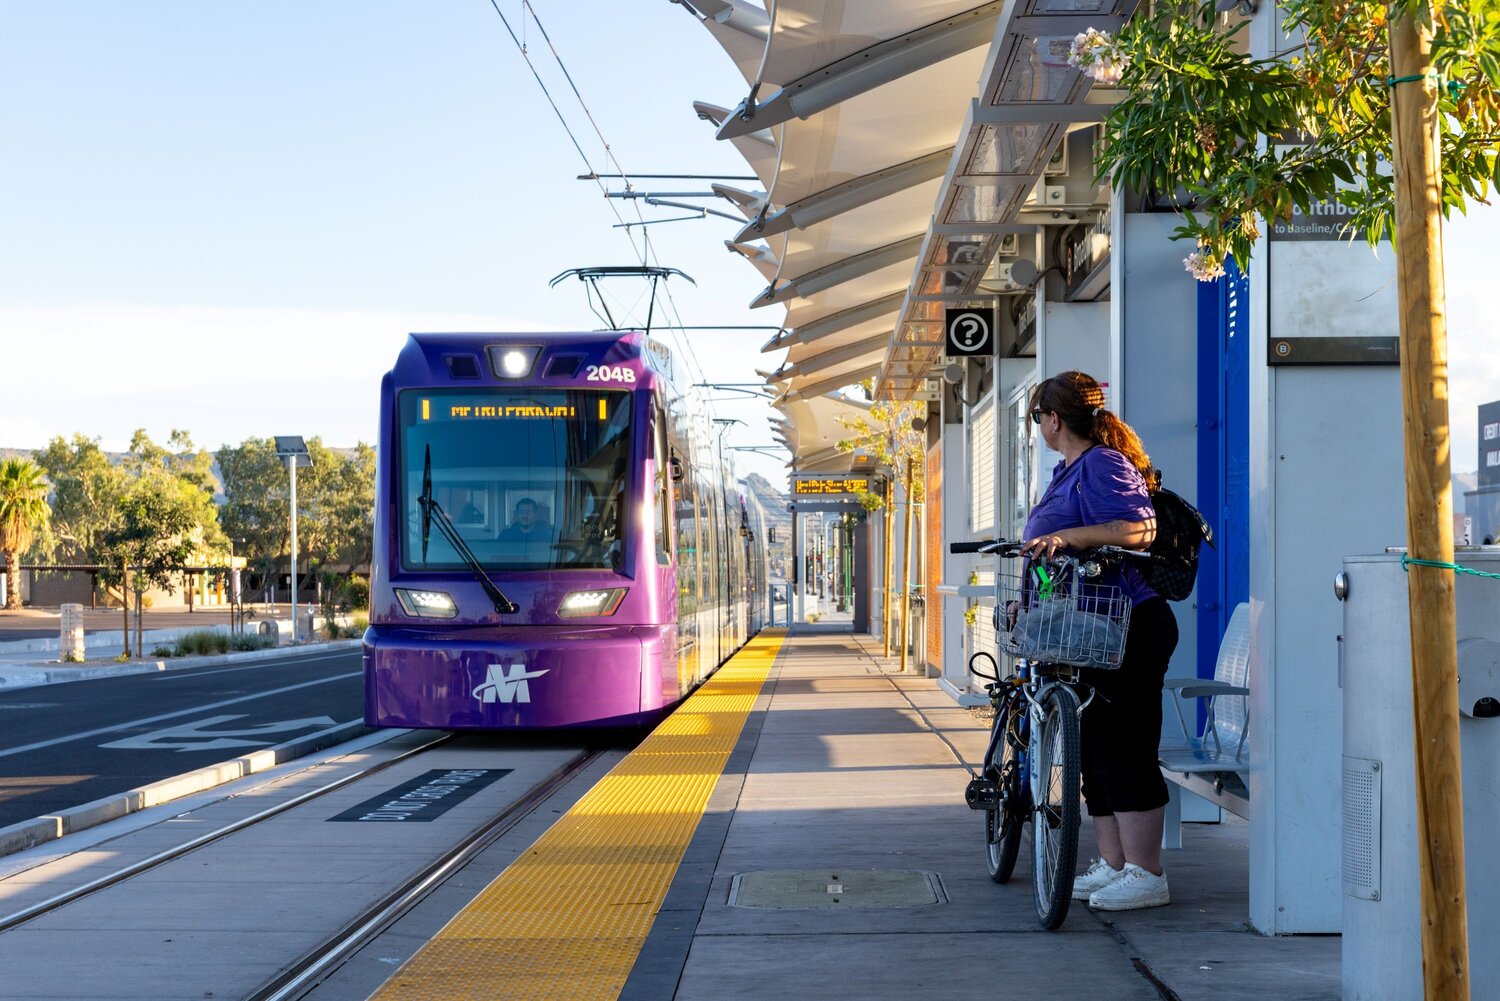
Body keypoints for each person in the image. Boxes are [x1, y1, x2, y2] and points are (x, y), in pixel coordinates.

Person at [1019, 370, 1177, 912]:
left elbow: (1141, 529)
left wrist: (1068, 536)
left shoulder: (1104, 463)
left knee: (1126, 748)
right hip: (1091, 631)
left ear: (1054, 419)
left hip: (1130, 624)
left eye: (1038, 417)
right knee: (1098, 753)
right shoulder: (1067, 471)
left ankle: (1147, 873)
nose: (1038, 426)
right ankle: (1116, 866)